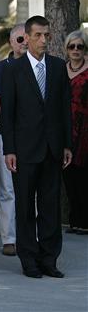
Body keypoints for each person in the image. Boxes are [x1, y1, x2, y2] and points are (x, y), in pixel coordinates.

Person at [0, 15, 72, 279]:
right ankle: (28, 258)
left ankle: (49, 258)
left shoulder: (57, 67)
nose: (44, 40)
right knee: (26, 207)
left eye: (47, 35)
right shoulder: (13, 70)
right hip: (24, 150)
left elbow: (64, 108)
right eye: (39, 35)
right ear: (27, 38)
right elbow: (7, 113)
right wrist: (10, 149)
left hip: (53, 148)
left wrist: (66, 144)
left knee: (50, 205)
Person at [0, 23, 27, 256]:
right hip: (8, 133)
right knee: (7, 189)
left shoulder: (38, 67)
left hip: (34, 135)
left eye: (26, 39)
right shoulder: (3, 68)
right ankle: (9, 238)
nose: (23, 44)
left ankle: (29, 235)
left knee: (32, 188)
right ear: (12, 43)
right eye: (19, 40)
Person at [63, 30, 88, 235]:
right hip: (66, 127)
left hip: (86, 128)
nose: (76, 50)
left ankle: (85, 220)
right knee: (69, 174)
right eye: (72, 46)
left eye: (80, 46)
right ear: (67, 49)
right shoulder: (61, 71)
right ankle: (75, 220)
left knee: (84, 175)